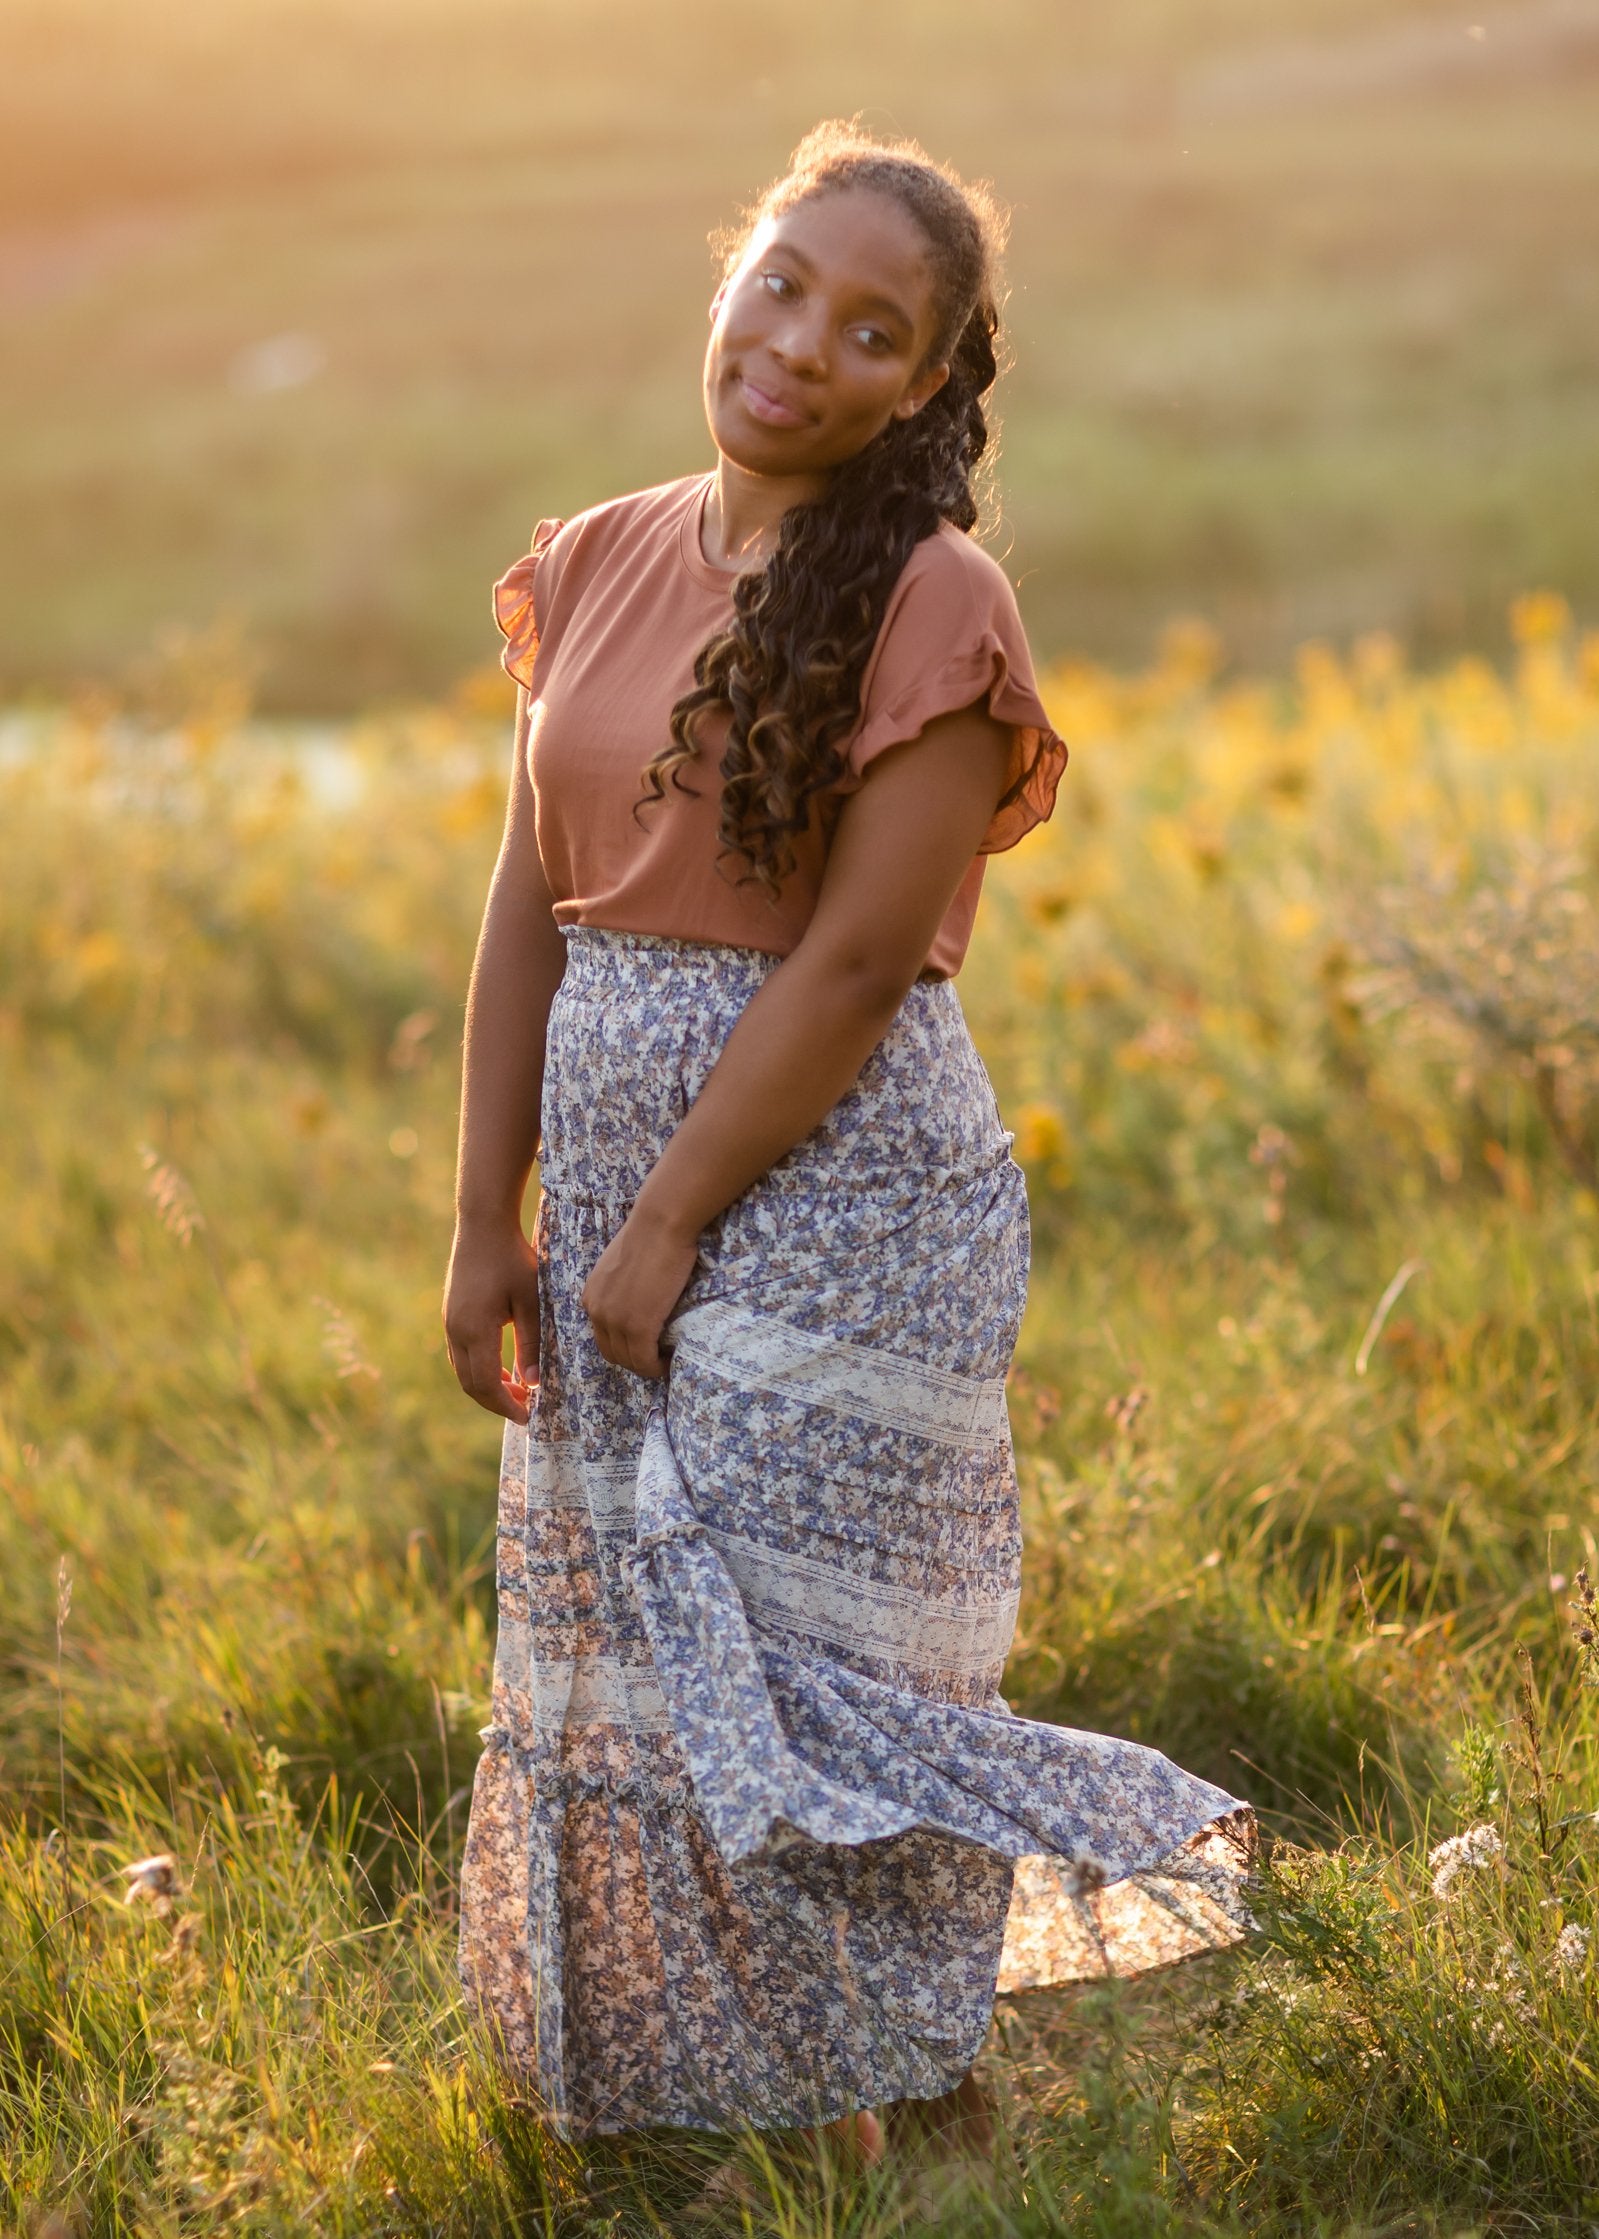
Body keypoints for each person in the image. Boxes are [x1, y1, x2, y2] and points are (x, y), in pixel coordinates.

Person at [444, 119, 1253, 2168]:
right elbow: (525, 902)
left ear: (921, 382)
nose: (801, 345)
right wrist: (485, 1217)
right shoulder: (604, 552)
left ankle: (928, 2115)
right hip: (625, 1200)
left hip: (842, 1209)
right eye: (784, 285)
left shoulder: (927, 592)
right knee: (631, 1662)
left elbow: (854, 961)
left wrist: (660, 1233)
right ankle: (734, 2124)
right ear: (729, 273)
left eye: (868, 329)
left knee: (812, 1674)